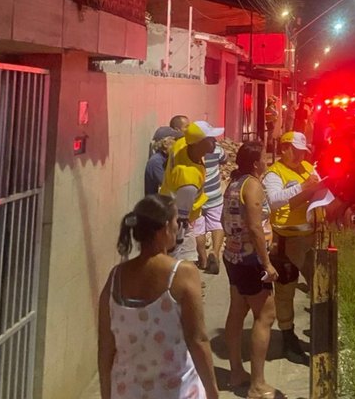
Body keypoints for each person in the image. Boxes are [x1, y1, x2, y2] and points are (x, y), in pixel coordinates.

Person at [97, 195, 219, 399]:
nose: (177, 227)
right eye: (175, 222)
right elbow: (198, 340)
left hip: (127, 392)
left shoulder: (116, 277)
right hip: (176, 392)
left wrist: (106, 394)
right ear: (164, 228)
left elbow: (105, 347)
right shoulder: (182, 274)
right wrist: (213, 392)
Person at [262, 131, 327, 363]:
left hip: (310, 237)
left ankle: (321, 335)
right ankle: (288, 338)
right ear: (285, 149)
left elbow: (317, 186)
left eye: (303, 151)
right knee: (285, 290)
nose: (300, 155)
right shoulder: (273, 174)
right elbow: (274, 200)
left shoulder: (308, 167)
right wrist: (303, 187)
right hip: (286, 239)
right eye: (296, 150)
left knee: (320, 287)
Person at [222, 142, 280, 396]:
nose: (267, 161)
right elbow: (255, 228)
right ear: (256, 163)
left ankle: (236, 372)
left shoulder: (235, 184)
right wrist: (266, 262)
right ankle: (257, 384)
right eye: (264, 157)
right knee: (265, 316)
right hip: (250, 260)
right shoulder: (253, 185)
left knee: (238, 309)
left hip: (233, 256)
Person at [160, 121, 224, 263]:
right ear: (197, 143)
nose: (215, 141)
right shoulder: (188, 179)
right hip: (179, 220)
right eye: (210, 139)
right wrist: (175, 248)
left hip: (173, 207)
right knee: (181, 260)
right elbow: (180, 220)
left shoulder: (183, 144)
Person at [195, 143, 228, 274]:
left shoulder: (192, 150)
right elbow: (225, 158)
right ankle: (215, 252)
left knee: (198, 228)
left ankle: (203, 260)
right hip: (214, 194)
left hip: (197, 196)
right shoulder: (216, 150)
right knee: (217, 224)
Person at [145, 127, 183, 195]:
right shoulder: (156, 161)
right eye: (175, 140)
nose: (178, 142)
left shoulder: (167, 158)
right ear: (165, 143)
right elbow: (169, 187)